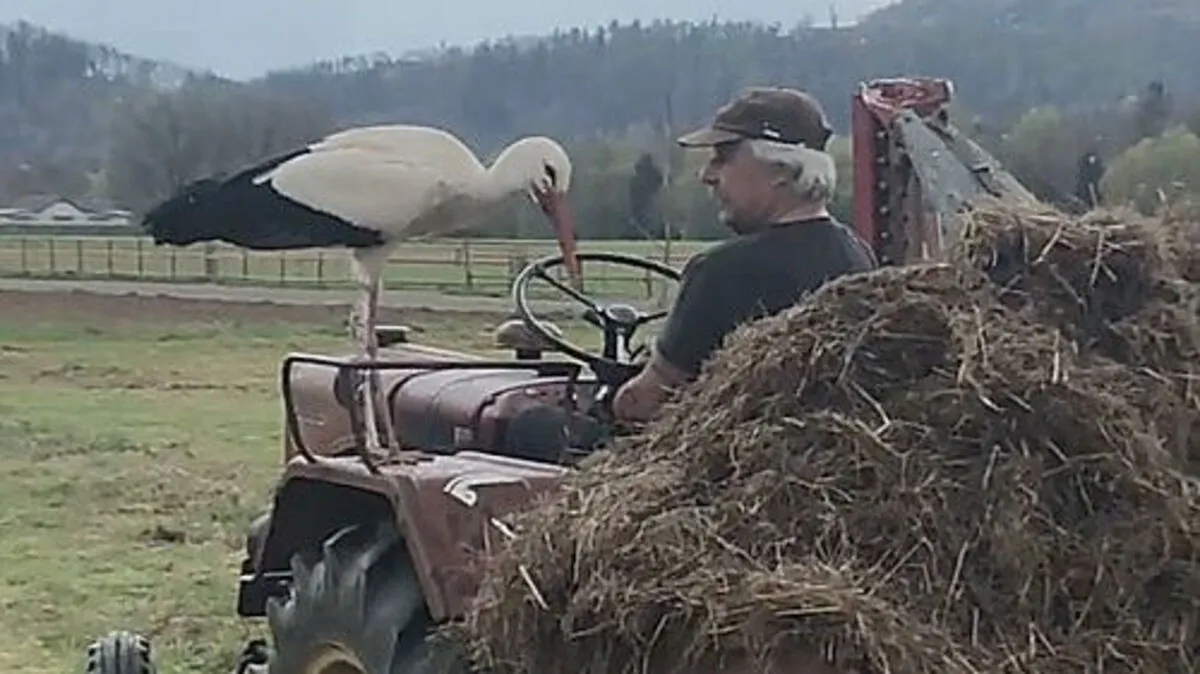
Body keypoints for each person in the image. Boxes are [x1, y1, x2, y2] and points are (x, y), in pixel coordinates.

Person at [612, 86, 876, 423]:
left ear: (781, 169)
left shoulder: (722, 272)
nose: (707, 175)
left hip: (716, 464)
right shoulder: (856, 256)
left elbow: (645, 404)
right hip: (817, 451)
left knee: (537, 426)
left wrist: (616, 399)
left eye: (723, 157)